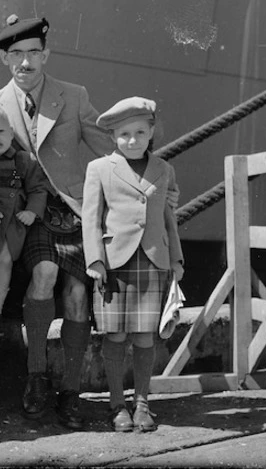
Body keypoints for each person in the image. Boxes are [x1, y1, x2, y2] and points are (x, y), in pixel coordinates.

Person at [0, 14, 116, 430]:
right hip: (22, 215)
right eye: (16, 54)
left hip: (72, 210)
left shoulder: (74, 95)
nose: (26, 63)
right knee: (45, 275)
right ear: (5, 59)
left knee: (76, 295)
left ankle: (71, 389)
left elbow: (109, 150)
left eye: (34, 53)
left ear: (46, 54)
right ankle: (36, 378)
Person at [83, 96, 185, 433]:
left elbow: (169, 219)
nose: (132, 140)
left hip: (153, 263)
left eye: (140, 132)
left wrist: (176, 261)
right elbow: (91, 218)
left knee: (144, 337)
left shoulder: (164, 169)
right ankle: (117, 404)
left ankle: (142, 403)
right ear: (113, 137)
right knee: (116, 335)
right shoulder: (98, 169)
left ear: (152, 132)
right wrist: (95, 260)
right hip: (114, 265)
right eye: (124, 134)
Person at [0, 105, 50, 339]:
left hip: (11, 220)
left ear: (11, 133)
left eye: (1, 132)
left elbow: (38, 189)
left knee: (4, 260)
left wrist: (32, 212)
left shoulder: (24, 160)